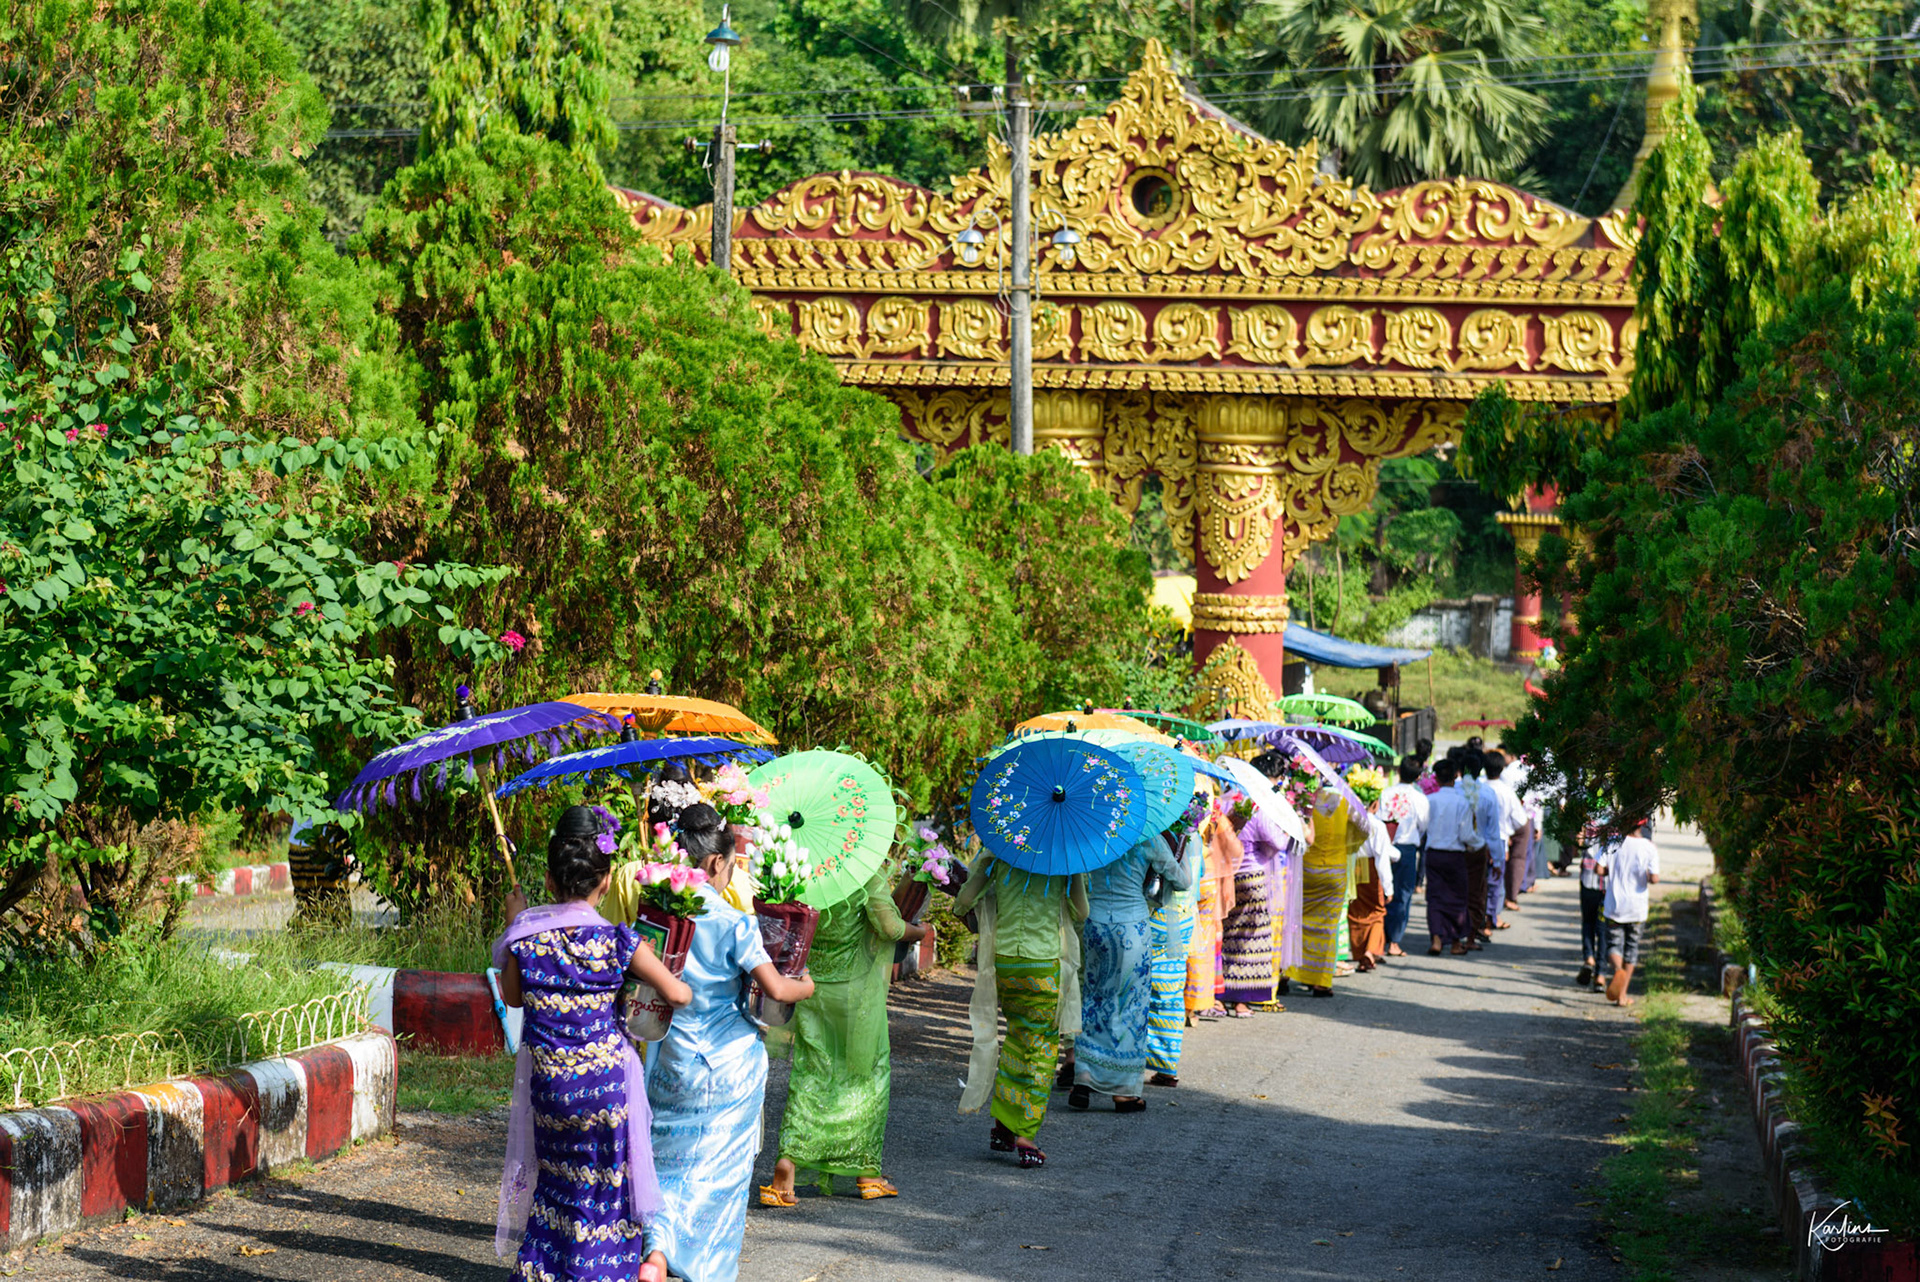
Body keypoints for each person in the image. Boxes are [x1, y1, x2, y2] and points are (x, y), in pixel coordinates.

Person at [494, 806, 694, 1282]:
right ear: (605, 882)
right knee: (604, 1186)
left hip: (552, 1090)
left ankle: (547, 1270)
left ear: (548, 879)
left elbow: (511, 996)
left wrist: (515, 920)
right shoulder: (620, 941)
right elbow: (677, 994)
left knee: (558, 1184)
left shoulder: (525, 937)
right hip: (605, 1088)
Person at [644, 804, 814, 1282]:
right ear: (717, 863)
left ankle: (656, 1253)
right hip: (729, 1069)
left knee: (670, 1163)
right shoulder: (734, 922)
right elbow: (777, 990)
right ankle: (701, 1267)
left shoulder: (662, 911)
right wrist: (808, 984)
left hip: (672, 1058)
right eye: (732, 865)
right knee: (717, 1175)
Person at [763, 865, 929, 1206]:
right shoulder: (863, 871)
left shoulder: (797, 869)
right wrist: (921, 932)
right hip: (857, 992)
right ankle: (866, 1173)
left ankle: (788, 1163)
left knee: (811, 1073)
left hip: (810, 987)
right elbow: (889, 926)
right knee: (866, 1075)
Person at [953, 854, 1089, 1168]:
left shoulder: (999, 852)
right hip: (1043, 963)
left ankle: (1004, 1126)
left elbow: (963, 901)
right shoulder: (1064, 856)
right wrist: (1071, 881)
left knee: (1016, 1037)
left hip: (1006, 961)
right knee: (1041, 1048)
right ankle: (1025, 1135)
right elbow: (1081, 912)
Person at [1070, 823, 1193, 1111]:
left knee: (1094, 1000)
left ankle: (1084, 1078)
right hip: (1132, 928)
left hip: (1096, 924)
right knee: (1131, 1006)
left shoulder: (1095, 832)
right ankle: (1124, 1091)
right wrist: (1182, 847)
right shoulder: (1146, 836)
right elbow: (1183, 881)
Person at [1147, 801, 1205, 1086]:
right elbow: (1198, 876)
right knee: (1170, 991)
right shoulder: (1192, 836)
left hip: (1155, 915)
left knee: (1141, 988)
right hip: (1183, 920)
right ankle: (1167, 1064)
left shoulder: (1152, 834)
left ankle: (1133, 1059)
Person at [1286, 783, 1351, 998]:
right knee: (1328, 927)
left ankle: (1284, 973)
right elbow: (1361, 832)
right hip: (1335, 870)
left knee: (1296, 921)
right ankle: (1321, 982)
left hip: (1307, 869)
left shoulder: (1306, 800)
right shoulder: (1347, 802)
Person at [1219, 795, 1275, 1015]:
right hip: (1252, 875)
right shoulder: (1257, 806)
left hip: (1227, 875)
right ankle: (1242, 1001)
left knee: (1228, 935)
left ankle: (1221, 994)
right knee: (1253, 937)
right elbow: (1277, 842)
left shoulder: (1222, 803)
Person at [1423, 759, 1484, 956]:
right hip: (1455, 855)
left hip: (1434, 853)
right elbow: (1466, 834)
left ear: (1437, 779)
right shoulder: (1462, 802)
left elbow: (1423, 828)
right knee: (1457, 898)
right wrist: (1479, 844)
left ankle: (1437, 938)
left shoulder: (1430, 800)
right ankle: (1456, 942)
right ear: (1456, 776)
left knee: (1435, 897)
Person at [1602, 820, 1661, 1006]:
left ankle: (1617, 969)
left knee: (1613, 944)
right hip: (1637, 908)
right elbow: (1654, 878)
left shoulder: (1612, 843)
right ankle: (1622, 996)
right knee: (1631, 947)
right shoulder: (1649, 847)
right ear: (1642, 826)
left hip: (1614, 906)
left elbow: (1598, 869)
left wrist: (1612, 871)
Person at [1379, 758, 1431, 956]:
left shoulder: (1386, 792)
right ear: (1418, 776)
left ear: (1399, 771)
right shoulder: (1420, 798)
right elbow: (1424, 824)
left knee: (1384, 890)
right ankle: (1394, 941)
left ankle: (1381, 937)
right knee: (1403, 894)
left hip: (1386, 846)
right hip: (1407, 848)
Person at [1346, 808, 1396, 971]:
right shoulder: (1376, 824)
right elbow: (1382, 858)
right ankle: (1370, 951)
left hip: (1351, 867)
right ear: (1374, 804)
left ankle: (1360, 954)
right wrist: (1388, 886)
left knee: (1355, 913)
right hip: (1371, 868)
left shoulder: (1348, 820)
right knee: (1377, 912)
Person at [1485, 751, 1529, 912]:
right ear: (1502, 768)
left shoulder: (1479, 790)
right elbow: (1520, 820)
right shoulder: (1506, 792)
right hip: (1500, 840)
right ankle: (1492, 917)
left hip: (1479, 842)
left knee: (1480, 882)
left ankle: (1482, 919)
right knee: (1495, 882)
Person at [1574, 830, 1606, 990]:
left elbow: (1578, 842)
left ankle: (1589, 958)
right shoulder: (1618, 823)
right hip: (1608, 883)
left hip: (1588, 878)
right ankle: (1600, 974)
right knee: (1603, 929)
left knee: (1587, 922)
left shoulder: (1589, 821)